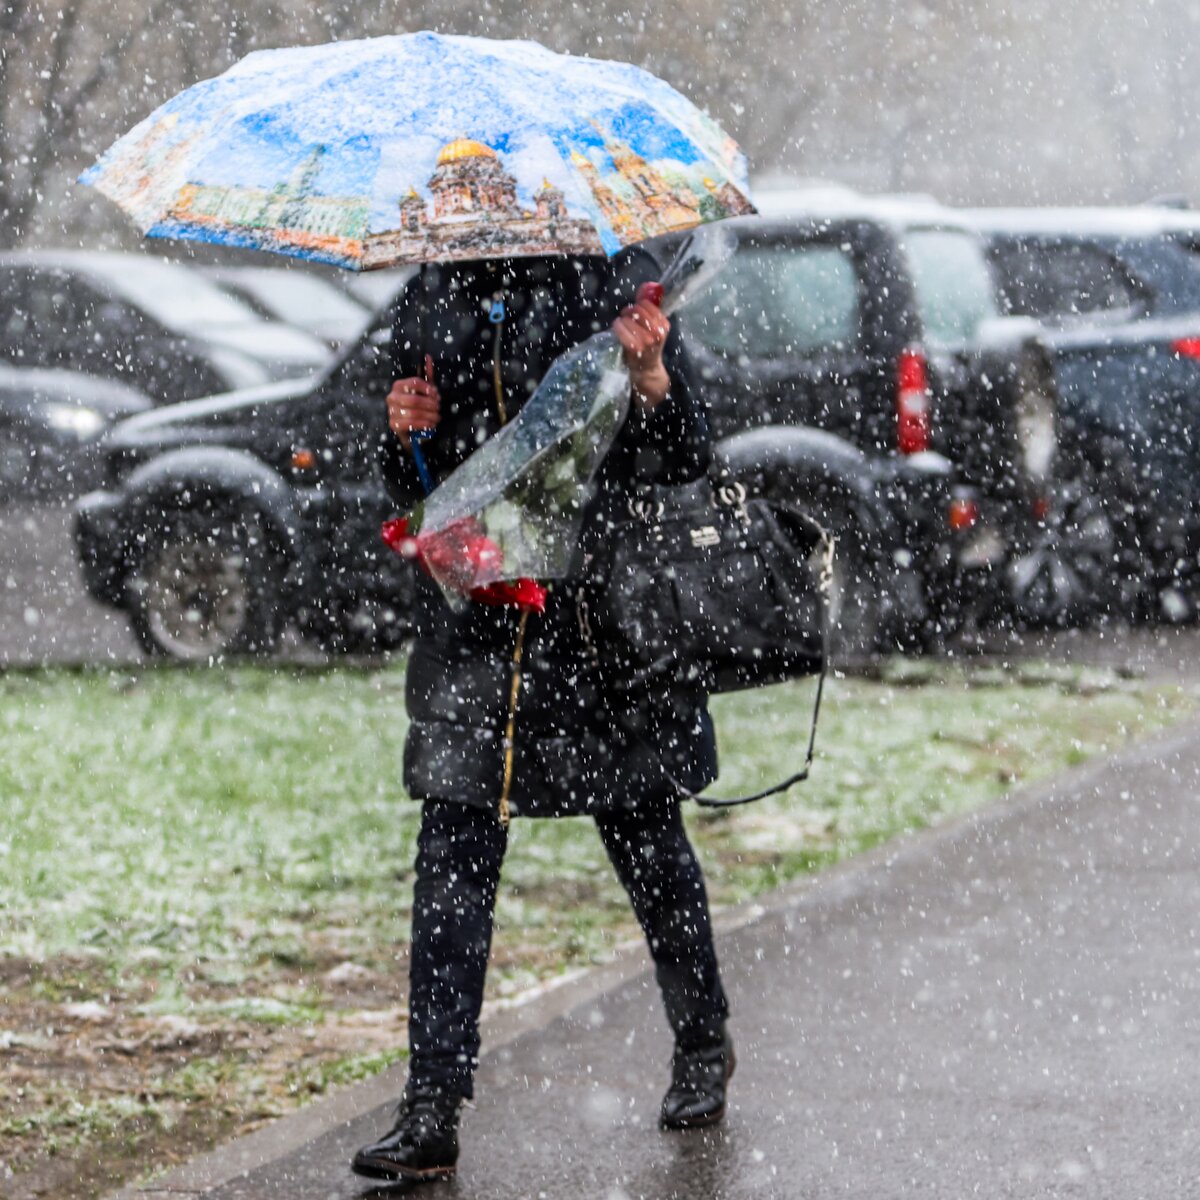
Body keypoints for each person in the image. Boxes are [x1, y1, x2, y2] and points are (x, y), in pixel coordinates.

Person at [351, 247, 733, 1185]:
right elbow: (414, 492)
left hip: (599, 633)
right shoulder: (431, 299)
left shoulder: (616, 287)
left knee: (648, 843)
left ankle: (702, 1041)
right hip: (478, 633)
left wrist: (651, 381)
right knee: (451, 864)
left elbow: (688, 459)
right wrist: (407, 437)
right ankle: (433, 1105)